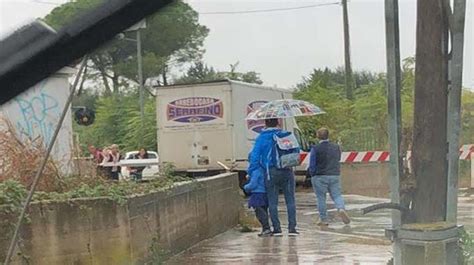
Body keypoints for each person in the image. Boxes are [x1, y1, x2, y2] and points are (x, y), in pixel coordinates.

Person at [248, 118, 299, 236]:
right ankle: (292, 229)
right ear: (278, 123)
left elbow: (255, 157)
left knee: (273, 201)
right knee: (290, 200)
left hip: (271, 172)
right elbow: (296, 150)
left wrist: (252, 171)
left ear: (265, 124)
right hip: (287, 170)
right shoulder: (286, 135)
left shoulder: (261, 138)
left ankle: (277, 229)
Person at [308, 127, 351, 226]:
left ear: (318, 136)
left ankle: (324, 219)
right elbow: (338, 158)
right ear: (328, 136)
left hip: (320, 176)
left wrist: (312, 174)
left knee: (321, 198)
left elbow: (312, 164)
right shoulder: (336, 147)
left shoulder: (315, 148)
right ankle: (341, 208)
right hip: (334, 174)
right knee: (337, 195)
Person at [244, 162, 271, 237]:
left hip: (257, 194)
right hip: (265, 193)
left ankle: (266, 228)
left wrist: (246, 187)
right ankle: (266, 229)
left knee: (259, 212)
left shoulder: (256, 171)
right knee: (264, 211)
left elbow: (253, 184)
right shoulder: (264, 169)